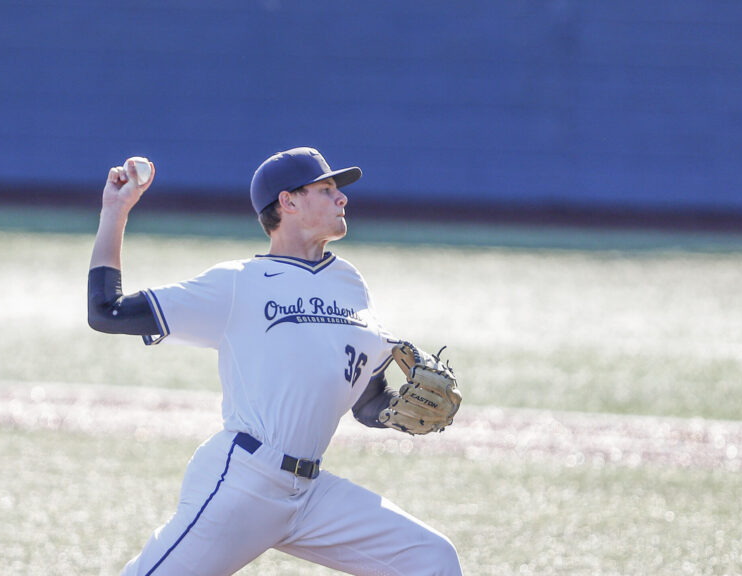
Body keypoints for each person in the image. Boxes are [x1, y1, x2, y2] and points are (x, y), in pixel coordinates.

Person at [88, 147, 463, 575]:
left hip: (308, 495)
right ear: (288, 201)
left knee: (431, 558)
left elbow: (368, 402)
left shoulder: (350, 282)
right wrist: (115, 211)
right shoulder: (236, 284)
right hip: (245, 482)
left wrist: (396, 413)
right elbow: (106, 311)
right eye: (326, 189)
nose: (342, 198)